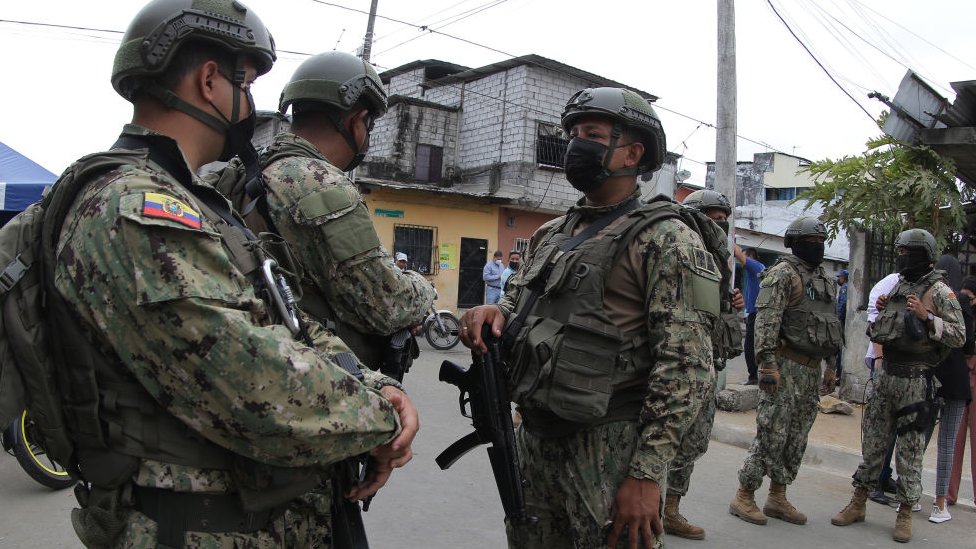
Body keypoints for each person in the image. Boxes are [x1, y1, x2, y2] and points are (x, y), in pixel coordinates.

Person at [49, 2, 418, 546]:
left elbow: (280, 313)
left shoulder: (196, 199)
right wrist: (382, 420)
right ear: (209, 80)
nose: (251, 106)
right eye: (247, 87)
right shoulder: (135, 206)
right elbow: (251, 382)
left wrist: (374, 382)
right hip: (195, 525)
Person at [459, 87, 716, 549]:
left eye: (593, 134)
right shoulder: (552, 233)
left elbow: (686, 368)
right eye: (574, 133)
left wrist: (647, 475)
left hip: (609, 446)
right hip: (536, 438)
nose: (577, 144)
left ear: (633, 153)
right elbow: (518, 304)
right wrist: (493, 312)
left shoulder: (667, 239)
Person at [215, 50, 435, 371]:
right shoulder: (323, 185)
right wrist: (424, 290)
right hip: (312, 375)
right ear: (357, 121)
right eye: (369, 128)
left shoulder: (243, 171)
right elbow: (388, 304)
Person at [832, 229, 965, 543]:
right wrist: (882, 308)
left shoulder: (941, 292)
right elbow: (879, 327)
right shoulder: (898, 287)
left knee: (910, 451)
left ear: (922, 254)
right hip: (886, 375)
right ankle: (858, 501)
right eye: (899, 250)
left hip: (916, 382)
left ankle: (905, 512)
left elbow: (959, 335)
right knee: (873, 444)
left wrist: (927, 316)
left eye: (906, 251)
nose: (901, 256)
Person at [729, 216, 843, 528]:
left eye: (821, 242)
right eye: (812, 241)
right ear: (794, 242)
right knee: (771, 433)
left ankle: (778, 496)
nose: (817, 247)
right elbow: (766, 323)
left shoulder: (825, 279)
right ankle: (745, 494)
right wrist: (767, 364)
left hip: (810, 370)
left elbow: (831, 325)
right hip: (784, 366)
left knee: (796, 437)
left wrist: (831, 367)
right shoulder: (782, 274)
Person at [665, 189, 743, 540]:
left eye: (724, 221)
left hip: (706, 365)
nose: (720, 226)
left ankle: (669, 508)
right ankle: (646, 507)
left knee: (694, 441)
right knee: (661, 439)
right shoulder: (675, 251)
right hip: (672, 368)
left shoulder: (716, 263)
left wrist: (730, 304)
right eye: (714, 219)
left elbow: (713, 312)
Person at [927, 255, 973, 523]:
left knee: (919, 438)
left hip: (929, 375)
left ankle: (908, 499)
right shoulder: (961, 302)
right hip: (956, 380)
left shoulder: (928, 296)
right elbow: (968, 346)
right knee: (947, 444)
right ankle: (939, 504)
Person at [863, 272, 901, 507]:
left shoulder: (923, 285)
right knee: (881, 427)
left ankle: (883, 476)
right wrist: (878, 360)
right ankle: (872, 482)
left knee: (896, 427)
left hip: (901, 366)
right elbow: (874, 318)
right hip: (883, 364)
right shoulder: (891, 282)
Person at [948, 275, 976, 506]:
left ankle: (948, 494)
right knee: (953, 440)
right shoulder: (959, 311)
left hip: (962, 379)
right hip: (960, 380)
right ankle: (947, 493)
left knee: (954, 439)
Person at [742, 247, 766, 385]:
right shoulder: (758, 269)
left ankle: (753, 377)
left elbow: (740, 256)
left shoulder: (755, 266)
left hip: (755, 314)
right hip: (754, 312)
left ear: (750, 256)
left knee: (750, 346)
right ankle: (756, 375)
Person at [827, 268, 849, 392]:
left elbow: (842, 304)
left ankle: (838, 376)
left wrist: (837, 318)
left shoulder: (845, 288)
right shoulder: (844, 287)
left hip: (840, 321)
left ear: (843, 278)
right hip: (841, 320)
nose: (838, 279)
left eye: (839, 277)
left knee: (838, 349)